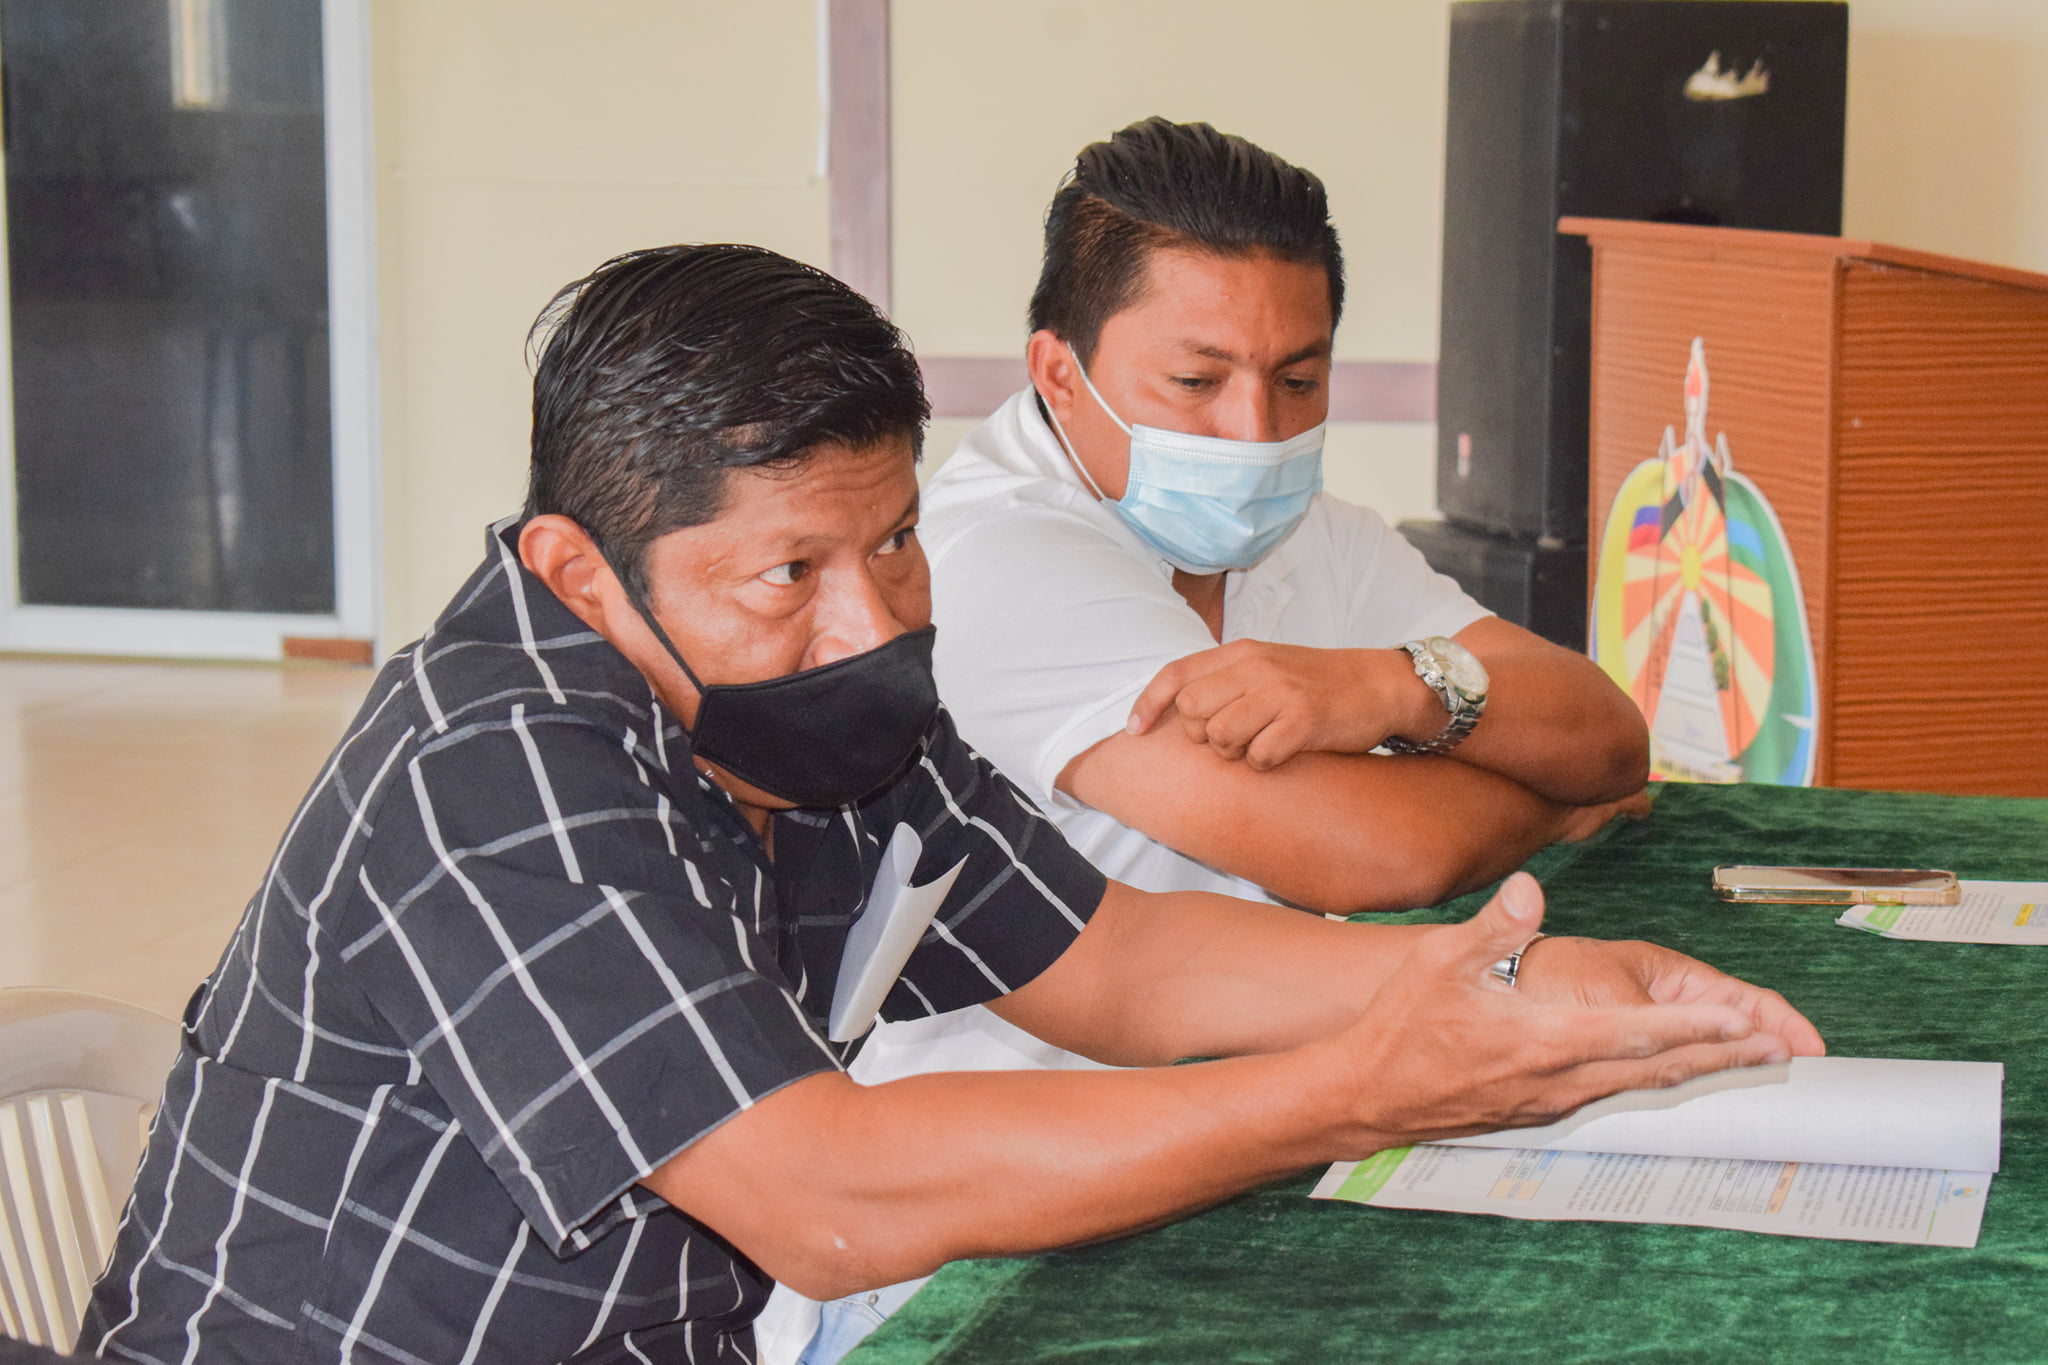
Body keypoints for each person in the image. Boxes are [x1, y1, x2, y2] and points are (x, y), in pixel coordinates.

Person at [84, 244, 1820, 1365]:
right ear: (580, 573)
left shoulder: (826, 713)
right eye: (790, 572)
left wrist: (1515, 984)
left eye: (898, 539)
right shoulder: (493, 769)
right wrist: (1360, 1089)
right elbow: (829, 1202)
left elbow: (1120, 962)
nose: (874, 619)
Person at [920, 118, 1651, 915]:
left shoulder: (1310, 529)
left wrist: (1391, 686)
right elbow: (1379, 851)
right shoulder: (1001, 557)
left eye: (1297, 382)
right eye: (1197, 382)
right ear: (1060, 375)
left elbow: (1607, 735)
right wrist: (1554, 803)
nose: (1257, 433)